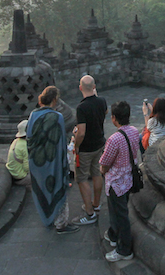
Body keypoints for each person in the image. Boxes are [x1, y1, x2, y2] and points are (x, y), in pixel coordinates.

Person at [27, 86, 77, 234]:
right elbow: (60, 144)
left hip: (37, 162)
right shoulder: (57, 117)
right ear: (55, 99)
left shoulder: (33, 115)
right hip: (53, 161)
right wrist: (64, 164)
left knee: (42, 188)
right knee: (58, 188)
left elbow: (29, 139)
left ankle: (46, 217)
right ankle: (61, 224)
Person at [100, 100, 142, 262]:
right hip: (128, 179)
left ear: (114, 118)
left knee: (120, 214)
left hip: (116, 182)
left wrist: (102, 171)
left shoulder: (114, 139)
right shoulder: (133, 131)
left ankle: (124, 249)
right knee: (118, 210)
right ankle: (113, 234)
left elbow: (105, 162)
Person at [73, 75, 107, 225]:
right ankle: (96, 203)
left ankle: (89, 212)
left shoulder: (81, 108)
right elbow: (104, 113)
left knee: (81, 178)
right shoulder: (102, 101)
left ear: (80, 88)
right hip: (99, 144)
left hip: (85, 148)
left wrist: (76, 145)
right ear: (94, 87)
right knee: (96, 174)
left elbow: (81, 132)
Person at [6, 119, 30, 186]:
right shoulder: (25, 146)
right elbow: (27, 167)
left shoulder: (16, 141)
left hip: (12, 171)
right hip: (20, 176)